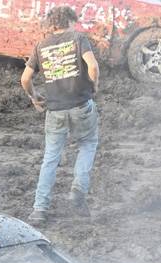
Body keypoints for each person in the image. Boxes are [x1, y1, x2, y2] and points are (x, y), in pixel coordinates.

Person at [20, 5, 99, 223]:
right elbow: (92, 66)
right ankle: (78, 191)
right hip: (81, 106)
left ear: (52, 23)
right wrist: (95, 85)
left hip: (55, 110)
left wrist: (34, 98)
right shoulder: (78, 38)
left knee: (51, 158)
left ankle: (39, 209)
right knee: (88, 144)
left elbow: (25, 79)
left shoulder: (40, 45)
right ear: (69, 21)